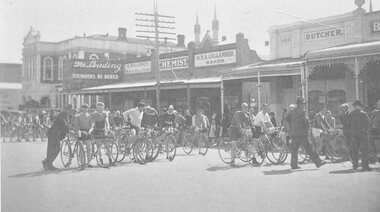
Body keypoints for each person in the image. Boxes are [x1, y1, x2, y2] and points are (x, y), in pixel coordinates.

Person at [285, 96, 326, 169]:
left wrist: (289, 130)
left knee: (294, 150)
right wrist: (308, 130)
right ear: (300, 104)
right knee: (309, 148)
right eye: (303, 103)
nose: (304, 105)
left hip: (294, 134)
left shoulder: (291, 112)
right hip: (302, 134)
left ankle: (294, 165)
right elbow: (306, 122)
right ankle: (318, 162)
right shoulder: (301, 111)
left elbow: (287, 121)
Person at [348, 100, 372, 171]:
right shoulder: (364, 114)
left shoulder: (351, 114)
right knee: (364, 151)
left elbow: (348, 124)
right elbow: (368, 124)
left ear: (354, 106)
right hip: (363, 135)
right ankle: (365, 166)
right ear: (360, 107)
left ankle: (355, 166)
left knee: (355, 150)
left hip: (354, 135)